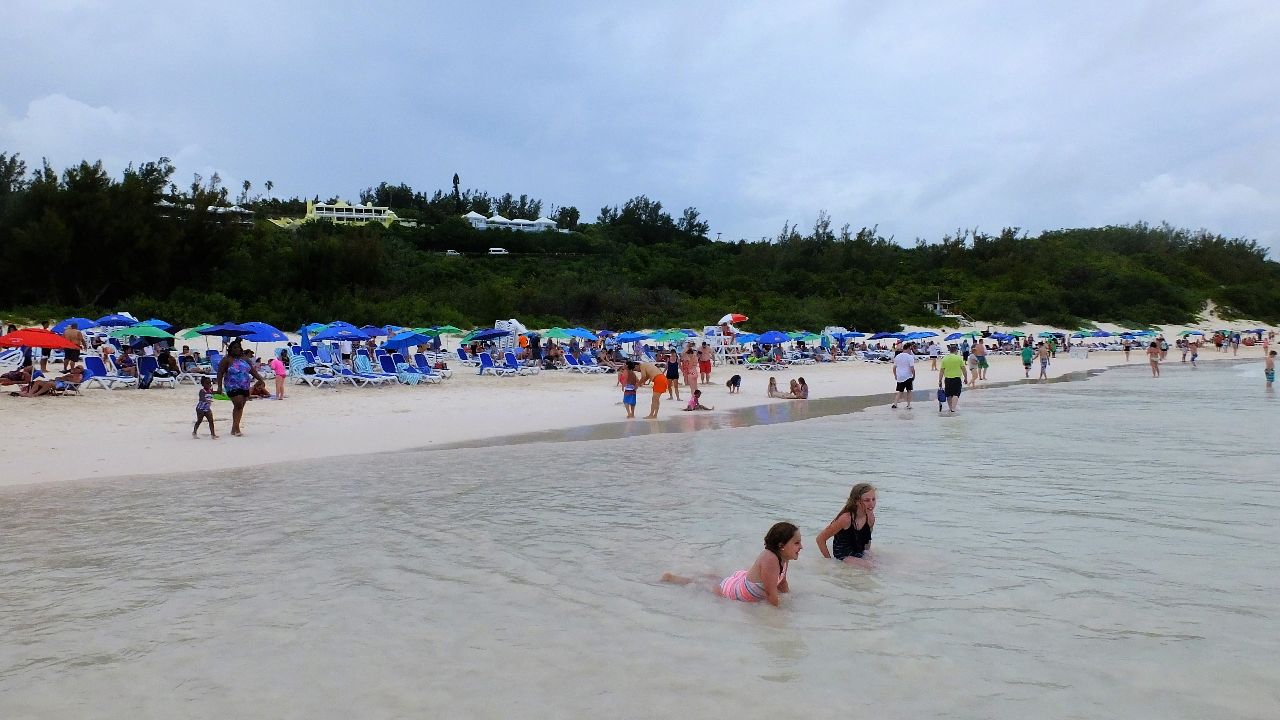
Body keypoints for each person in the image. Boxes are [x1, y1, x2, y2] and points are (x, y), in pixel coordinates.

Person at [662, 522, 801, 607]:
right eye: (796, 543)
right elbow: (771, 596)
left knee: (714, 580)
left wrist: (789, 598)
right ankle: (673, 579)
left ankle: (696, 576)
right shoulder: (771, 559)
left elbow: (782, 584)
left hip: (746, 581)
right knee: (702, 586)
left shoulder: (784, 558)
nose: (801, 547)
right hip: (738, 592)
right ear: (781, 545)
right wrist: (781, 619)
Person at [816, 483, 876, 565]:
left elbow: (867, 541)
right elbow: (820, 539)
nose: (872, 504)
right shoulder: (846, 519)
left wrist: (866, 555)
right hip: (843, 555)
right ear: (856, 501)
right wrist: (829, 562)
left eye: (873, 499)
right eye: (867, 500)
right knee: (871, 567)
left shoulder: (870, 517)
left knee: (882, 563)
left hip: (858, 553)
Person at [217, 341, 264, 436]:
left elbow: (253, 371)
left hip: (245, 385)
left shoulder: (245, 359)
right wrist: (219, 386)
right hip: (231, 385)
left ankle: (234, 428)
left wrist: (260, 379)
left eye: (238, 347)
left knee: (240, 406)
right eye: (234, 348)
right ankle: (237, 428)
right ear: (230, 349)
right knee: (238, 404)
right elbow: (220, 373)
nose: (236, 349)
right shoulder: (226, 360)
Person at [938, 344, 968, 413]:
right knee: (956, 394)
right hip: (957, 378)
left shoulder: (945, 359)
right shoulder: (959, 358)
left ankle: (950, 408)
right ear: (956, 351)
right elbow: (964, 369)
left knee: (949, 394)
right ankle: (953, 409)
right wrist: (966, 378)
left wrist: (940, 380)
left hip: (947, 379)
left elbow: (942, 370)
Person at [891, 342, 915, 409]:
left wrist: (895, 375)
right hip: (908, 376)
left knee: (900, 391)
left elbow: (894, 368)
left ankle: (895, 404)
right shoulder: (910, 357)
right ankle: (909, 404)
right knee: (909, 391)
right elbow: (912, 368)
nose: (911, 350)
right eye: (911, 349)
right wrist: (914, 376)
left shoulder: (897, 356)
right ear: (909, 348)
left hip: (900, 376)